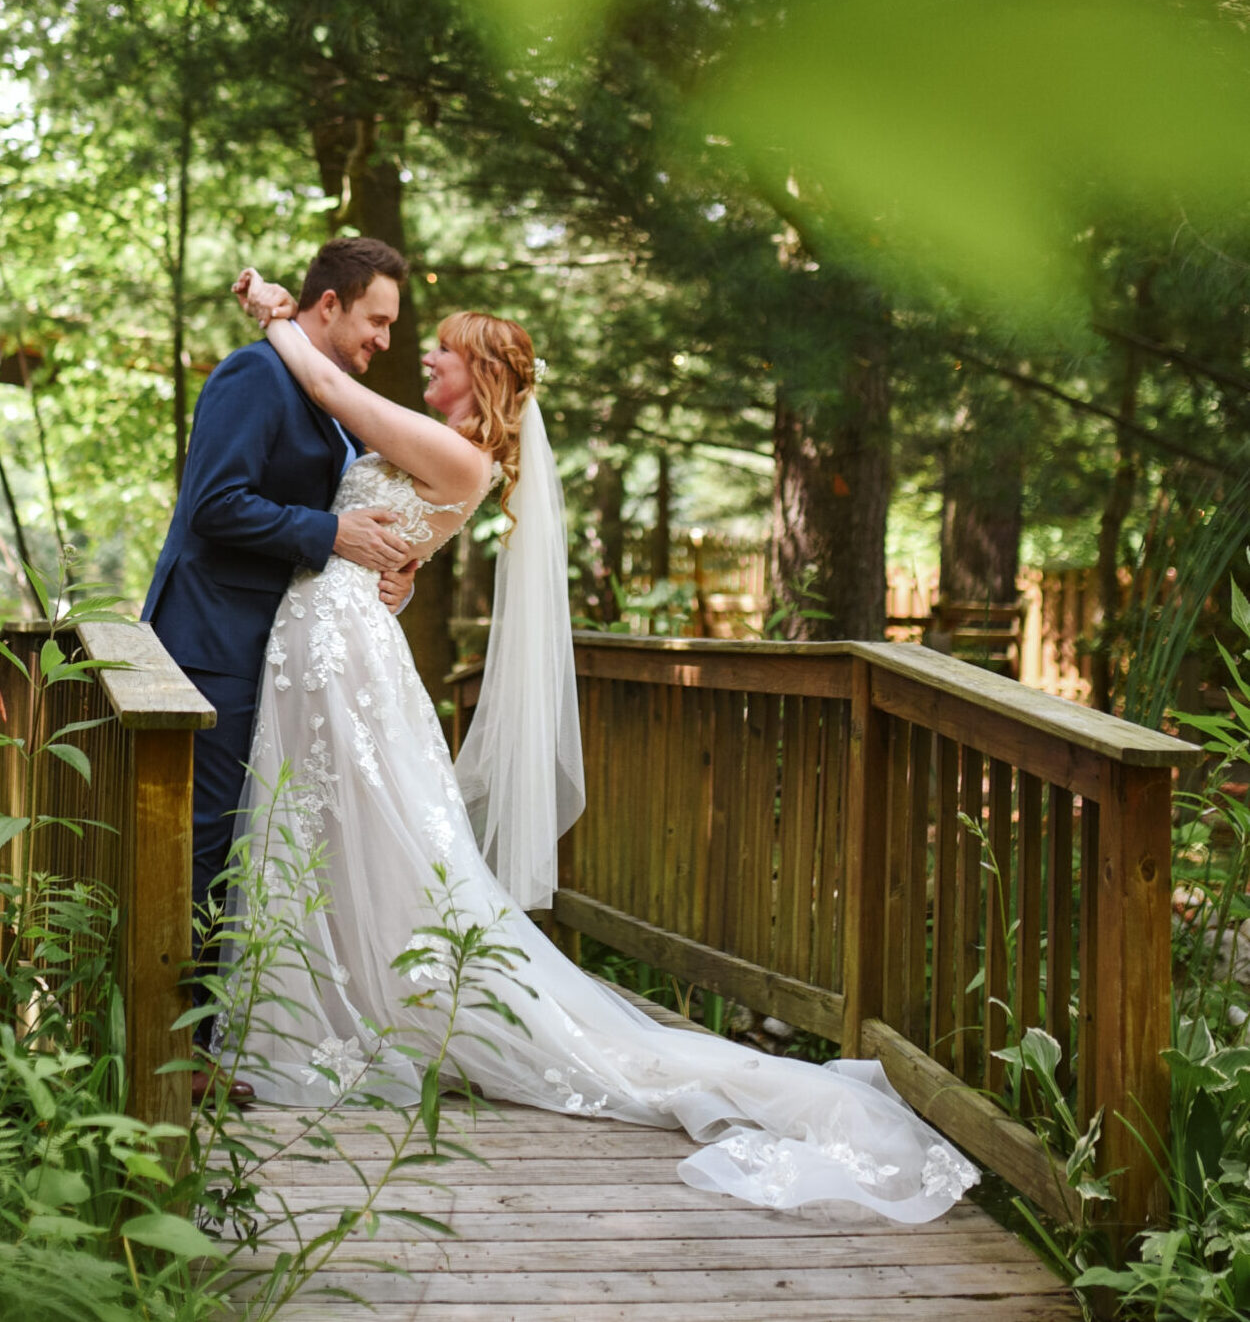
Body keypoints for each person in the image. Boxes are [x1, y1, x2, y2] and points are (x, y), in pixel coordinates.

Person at [213, 269, 982, 1223]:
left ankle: (333, 1020)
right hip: (328, 642)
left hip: (339, 655)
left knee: (366, 834)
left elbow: (331, 387)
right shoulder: (445, 452)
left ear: (481, 374)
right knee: (335, 833)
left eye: (443, 350)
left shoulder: (458, 458)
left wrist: (277, 315)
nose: (426, 358)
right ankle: (328, 1011)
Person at [142, 236, 417, 959]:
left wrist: (389, 567)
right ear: (329, 304)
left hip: (285, 652)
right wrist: (332, 534)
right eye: (377, 321)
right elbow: (214, 505)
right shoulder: (254, 374)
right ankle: (185, 1024)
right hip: (215, 645)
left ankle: (237, 1007)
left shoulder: (326, 397)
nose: (385, 340)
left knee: (257, 839)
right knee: (208, 839)